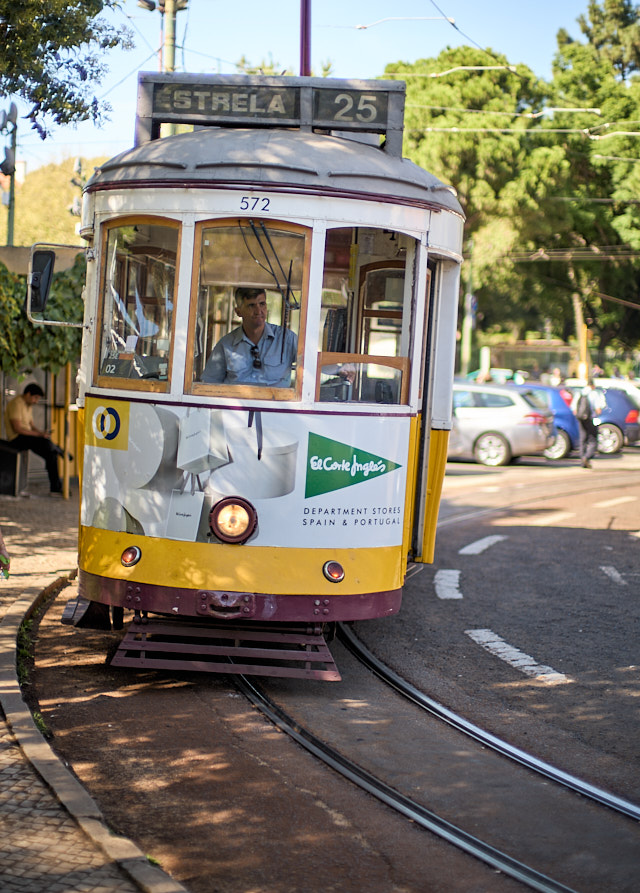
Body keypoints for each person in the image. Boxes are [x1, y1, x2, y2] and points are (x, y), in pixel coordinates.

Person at [201, 287, 297, 387]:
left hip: (275, 402)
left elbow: (311, 369)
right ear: (238, 312)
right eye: (251, 305)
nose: (258, 311)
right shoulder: (226, 344)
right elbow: (209, 385)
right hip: (235, 402)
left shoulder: (287, 339)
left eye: (262, 304)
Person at [4, 383, 63, 495]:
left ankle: (56, 487)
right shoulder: (16, 404)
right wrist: (39, 435)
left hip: (27, 437)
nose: (36, 401)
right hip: (17, 438)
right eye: (35, 398)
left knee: (51, 454)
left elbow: (31, 425)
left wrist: (41, 433)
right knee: (46, 444)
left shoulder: (28, 406)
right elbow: (17, 429)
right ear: (28, 394)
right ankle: (58, 449)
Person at [572, 380, 606, 468]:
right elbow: (598, 409)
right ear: (593, 386)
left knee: (582, 438)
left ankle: (582, 458)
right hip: (591, 419)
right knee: (593, 440)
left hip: (581, 419)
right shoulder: (595, 394)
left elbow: (574, 409)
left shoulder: (579, 393)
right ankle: (587, 457)